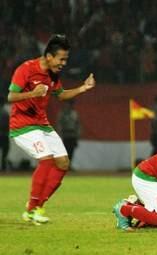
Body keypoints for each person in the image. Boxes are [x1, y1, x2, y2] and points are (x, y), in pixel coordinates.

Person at [7, 34, 95, 224]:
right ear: (49, 56)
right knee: (46, 160)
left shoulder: (52, 75)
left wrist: (82, 88)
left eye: (66, 59)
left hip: (42, 125)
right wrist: (32, 93)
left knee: (63, 163)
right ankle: (31, 210)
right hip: (22, 126)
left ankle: (38, 207)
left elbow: (61, 95)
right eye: (61, 59)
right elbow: (11, 96)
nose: (63, 63)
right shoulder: (26, 69)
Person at [56, 100, 80, 166]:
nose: (68, 106)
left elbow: (77, 125)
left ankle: (69, 165)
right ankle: (65, 165)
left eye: (69, 104)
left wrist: (77, 135)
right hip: (65, 134)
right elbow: (59, 124)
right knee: (65, 151)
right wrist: (59, 134)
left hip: (72, 135)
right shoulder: (62, 113)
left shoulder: (74, 113)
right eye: (67, 104)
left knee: (71, 151)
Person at [0, 97, 9, 171]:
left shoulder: (5, 113)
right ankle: (3, 168)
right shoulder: (5, 113)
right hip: (4, 135)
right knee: (4, 153)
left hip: (3, 134)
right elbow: (8, 125)